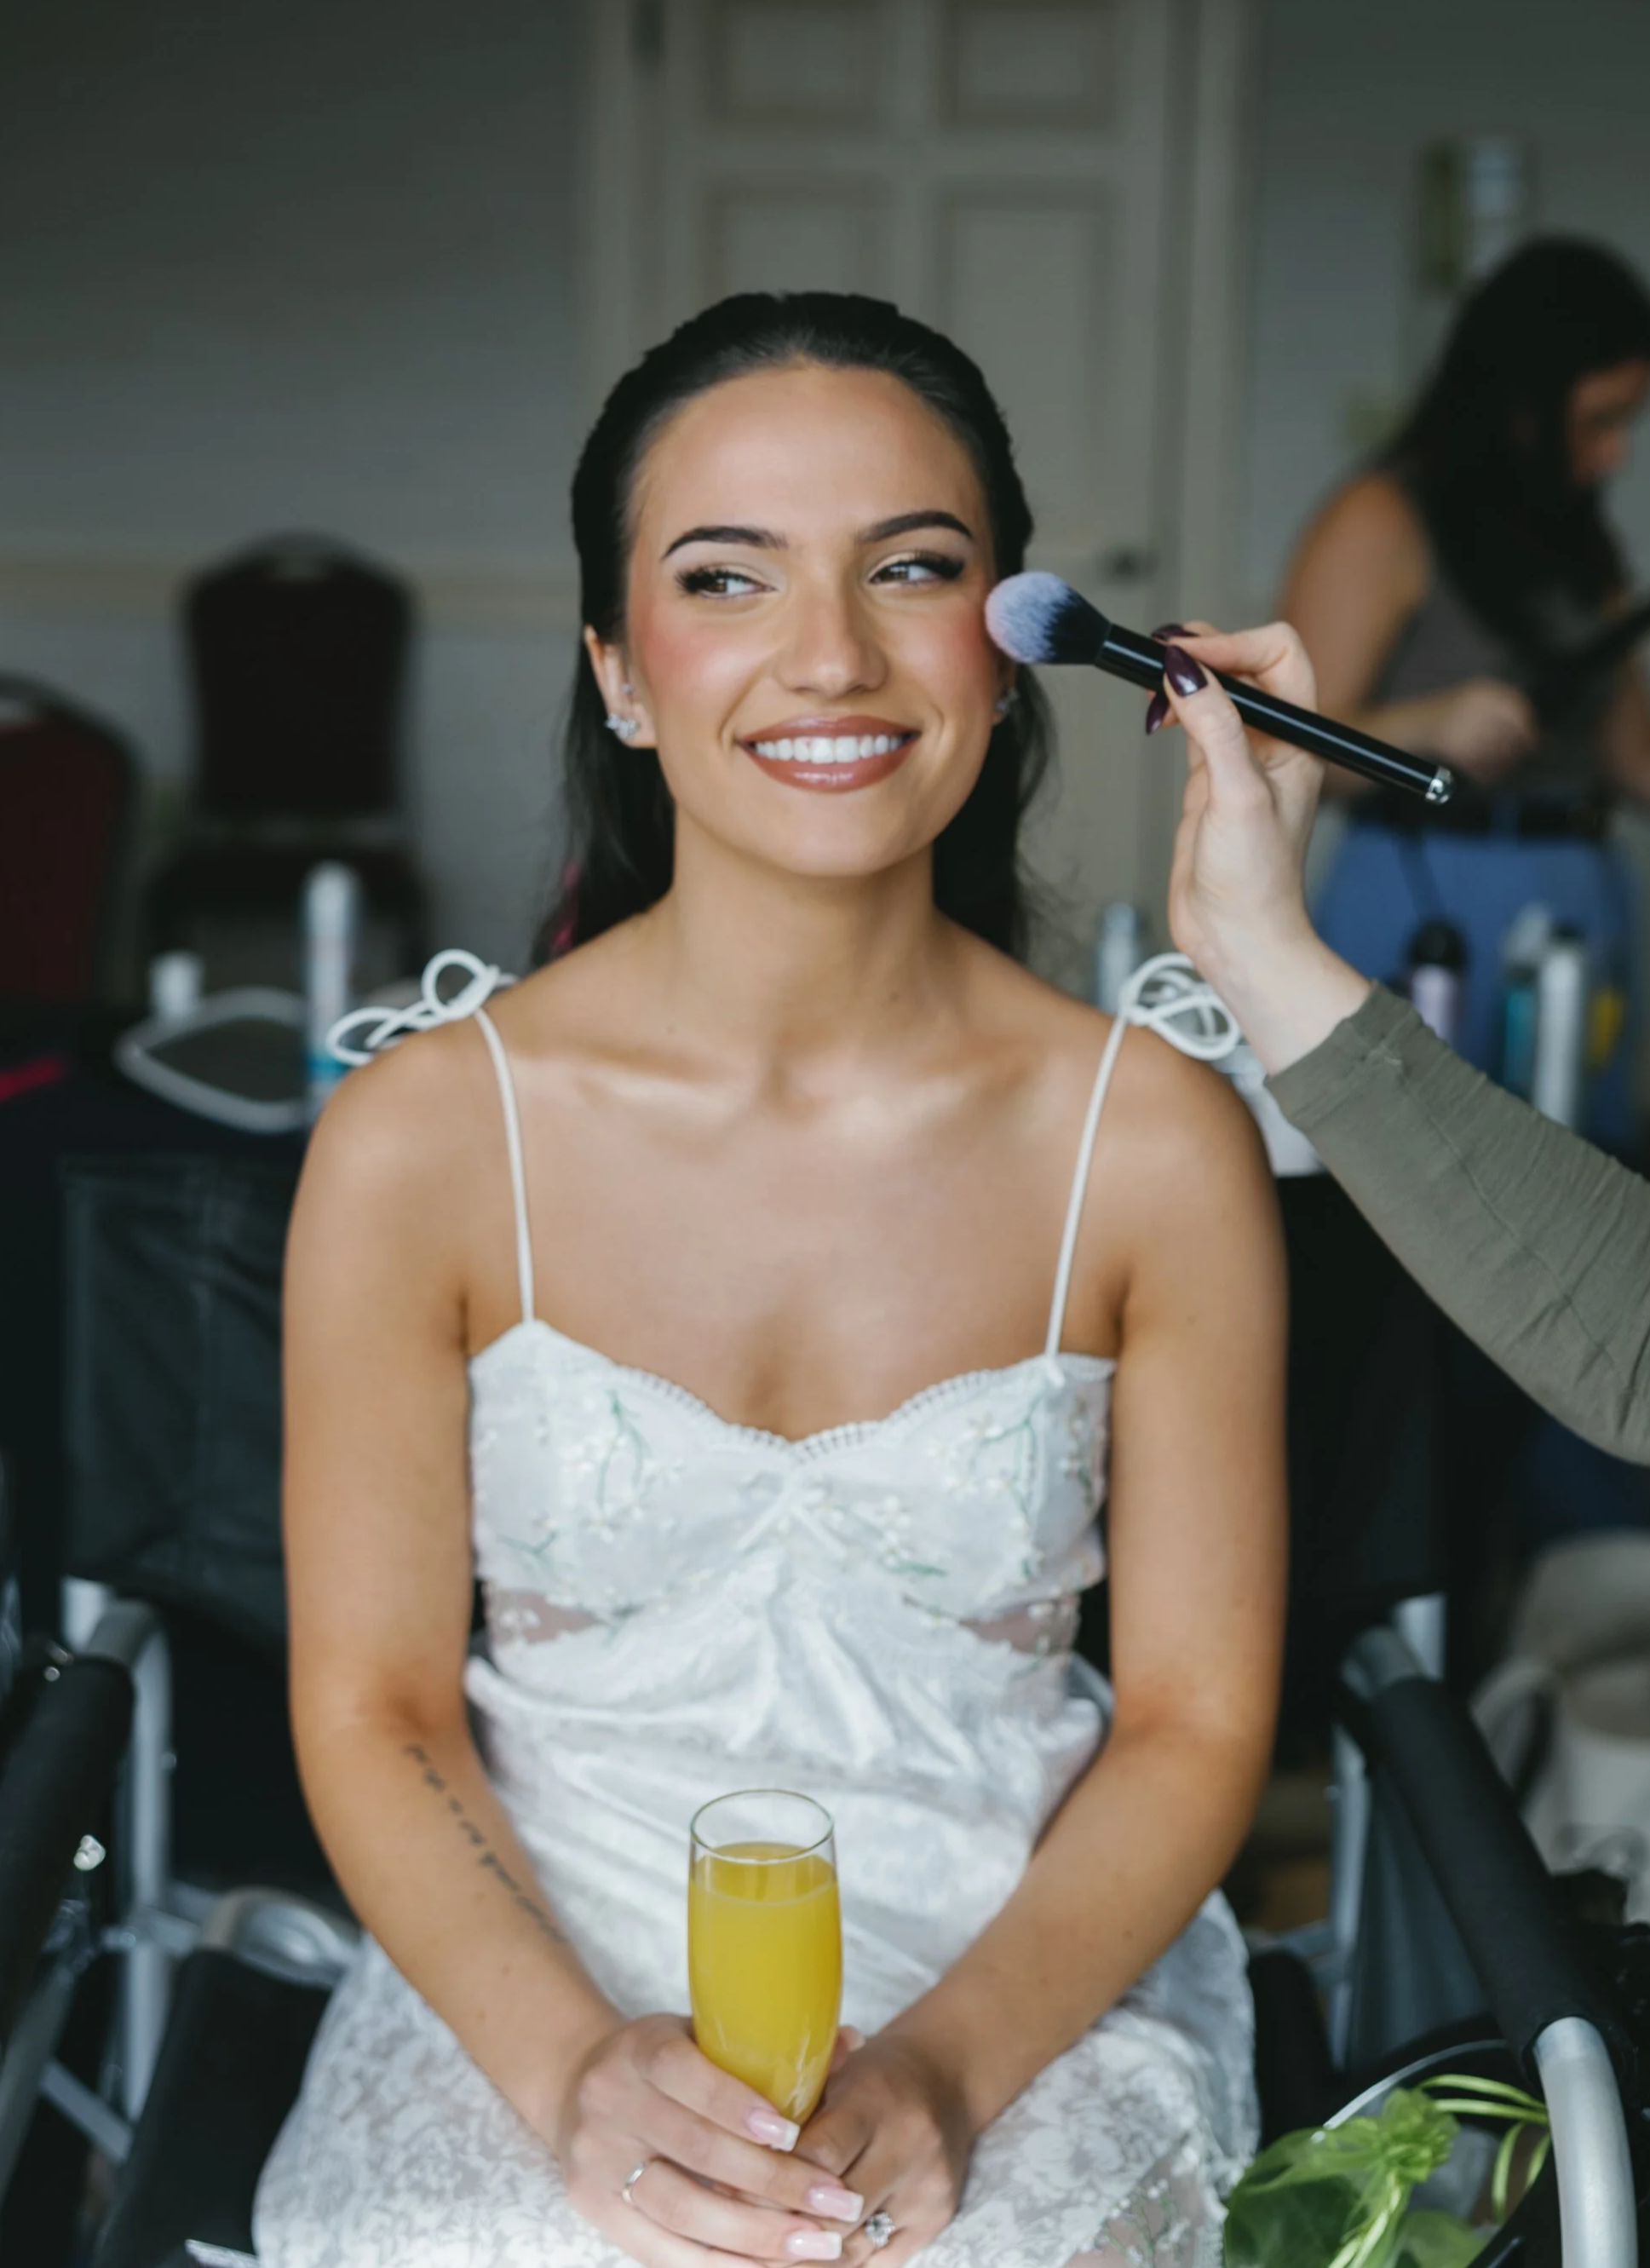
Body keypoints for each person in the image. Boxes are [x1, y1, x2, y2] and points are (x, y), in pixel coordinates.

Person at [254, 294, 1286, 2268]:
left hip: (1014, 1982)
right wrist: (573, 2067)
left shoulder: (1150, 1144)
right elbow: (371, 1703)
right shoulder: (423, 1137)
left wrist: (950, 2068)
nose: (829, 654)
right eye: (724, 577)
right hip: (523, 1976)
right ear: (617, 673)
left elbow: (1190, 1718)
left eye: (911, 568)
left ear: (1007, 649)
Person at [1153, 614, 1650, 1465]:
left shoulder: (1593, 565)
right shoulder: (1388, 536)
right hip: (1426, 876)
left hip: (1570, 879)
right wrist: (1251, 944)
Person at [1281, 237, 1650, 1147]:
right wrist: (1426, 725)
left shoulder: (1584, 546)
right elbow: (1282, 742)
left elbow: (1630, 757)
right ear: (1523, 401)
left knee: (1576, 1182)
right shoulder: (1378, 517)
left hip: (1577, 897)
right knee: (1402, 1171)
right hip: (1421, 893)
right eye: (1598, 420)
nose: (1613, 454)